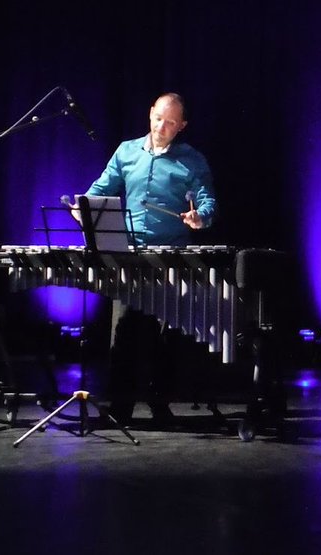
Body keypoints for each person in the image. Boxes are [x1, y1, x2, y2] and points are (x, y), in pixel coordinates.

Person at [80, 92, 217, 423]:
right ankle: (119, 407)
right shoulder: (127, 152)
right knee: (122, 333)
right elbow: (97, 192)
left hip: (171, 256)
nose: (162, 127)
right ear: (150, 114)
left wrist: (200, 216)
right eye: (158, 118)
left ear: (181, 125)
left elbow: (207, 201)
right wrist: (81, 207)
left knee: (165, 337)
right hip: (128, 255)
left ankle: (160, 403)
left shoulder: (192, 160)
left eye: (170, 123)